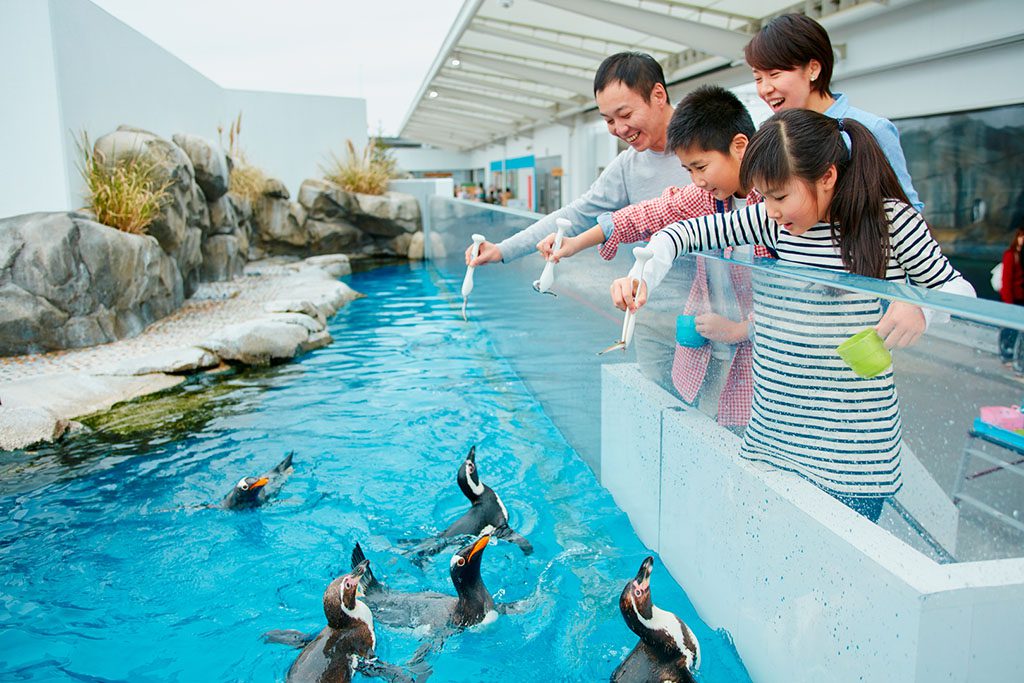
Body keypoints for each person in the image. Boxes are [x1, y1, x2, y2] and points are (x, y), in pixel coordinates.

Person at [610, 109, 976, 521]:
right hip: (773, 436)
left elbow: (958, 291)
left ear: (827, 177)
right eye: (764, 197)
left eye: (780, 196)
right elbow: (685, 233)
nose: (770, 210)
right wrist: (643, 273)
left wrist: (920, 306)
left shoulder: (889, 221)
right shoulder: (774, 222)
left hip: (852, 455)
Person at [539, 85, 771, 429]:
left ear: (739, 147)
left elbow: (803, 295)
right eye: (688, 170)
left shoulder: (776, 204)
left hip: (762, 358)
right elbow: (645, 216)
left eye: (700, 166)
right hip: (716, 347)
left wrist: (743, 329)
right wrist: (573, 243)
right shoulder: (706, 197)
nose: (697, 181)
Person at [464, 51, 689, 267]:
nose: (620, 129)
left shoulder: (713, 146)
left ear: (658, 95)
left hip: (718, 301)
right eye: (609, 121)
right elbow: (578, 214)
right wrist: (503, 249)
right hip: (646, 298)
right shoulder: (627, 166)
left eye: (626, 115)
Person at [745, 13, 923, 211]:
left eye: (774, 74)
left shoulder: (873, 129)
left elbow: (908, 211)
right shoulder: (774, 136)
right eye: (758, 78)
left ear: (813, 69)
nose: (765, 89)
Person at [999, 226, 1024, 368]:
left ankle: (1015, 357)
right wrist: (1008, 303)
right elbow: (1006, 280)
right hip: (1012, 299)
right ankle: (1007, 354)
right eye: (1021, 236)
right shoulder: (1010, 255)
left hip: (1020, 298)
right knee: (1009, 328)